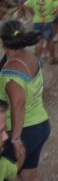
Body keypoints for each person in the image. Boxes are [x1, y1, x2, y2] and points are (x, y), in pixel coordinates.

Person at [0, 20, 51, 180]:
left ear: (1, 41)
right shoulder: (31, 57)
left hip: (22, 132)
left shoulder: (11, 72)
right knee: (29, 175)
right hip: (40, 125)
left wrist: (15, 139)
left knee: (4, 172)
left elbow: (18, 105)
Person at [0, 100, 24, 180]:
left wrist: (22, 155)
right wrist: (22, 154)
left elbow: (15, 168)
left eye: (4, 130)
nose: (6, 137)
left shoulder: (2, 166)